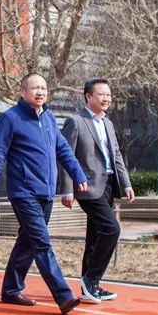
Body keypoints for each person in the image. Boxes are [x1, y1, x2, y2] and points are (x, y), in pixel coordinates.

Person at [0, 73, 84, 314]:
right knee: (41, 243)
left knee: (28, 241)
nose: (40, 92)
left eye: (43, 88)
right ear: (22, 92)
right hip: (23, 192)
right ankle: (63, 296)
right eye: (35, 88)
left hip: (46, 192)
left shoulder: (49, 118)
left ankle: (11, 289)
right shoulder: (10, 118)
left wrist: (78, 175)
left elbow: (63, 150)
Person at [59, 79, 135, 303]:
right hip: (87, 186)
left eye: (108, 94)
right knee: (112, 229)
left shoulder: (108, 123)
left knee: (94, 237)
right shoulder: (75, 121)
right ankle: (90, 279)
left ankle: (89, 288)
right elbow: (65, 156)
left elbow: (116, 155)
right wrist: (67, 190)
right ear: (88, 96)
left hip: (109, 185)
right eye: (101, 94)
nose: (106, 98)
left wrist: (126, 183)